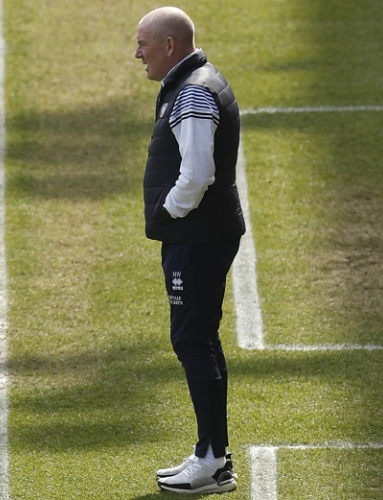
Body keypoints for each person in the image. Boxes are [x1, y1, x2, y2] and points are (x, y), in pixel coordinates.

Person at [134, 6, 245, 495]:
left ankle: (212, 461)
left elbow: (198, 174)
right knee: (201, 339)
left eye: (143, 44)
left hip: (197, 235)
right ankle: (213, 455)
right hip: (203, 233)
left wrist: (168, 210)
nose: (137, 53)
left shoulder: (193, 91)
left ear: (169, 46)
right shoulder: (194, 81)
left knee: (192, 341)